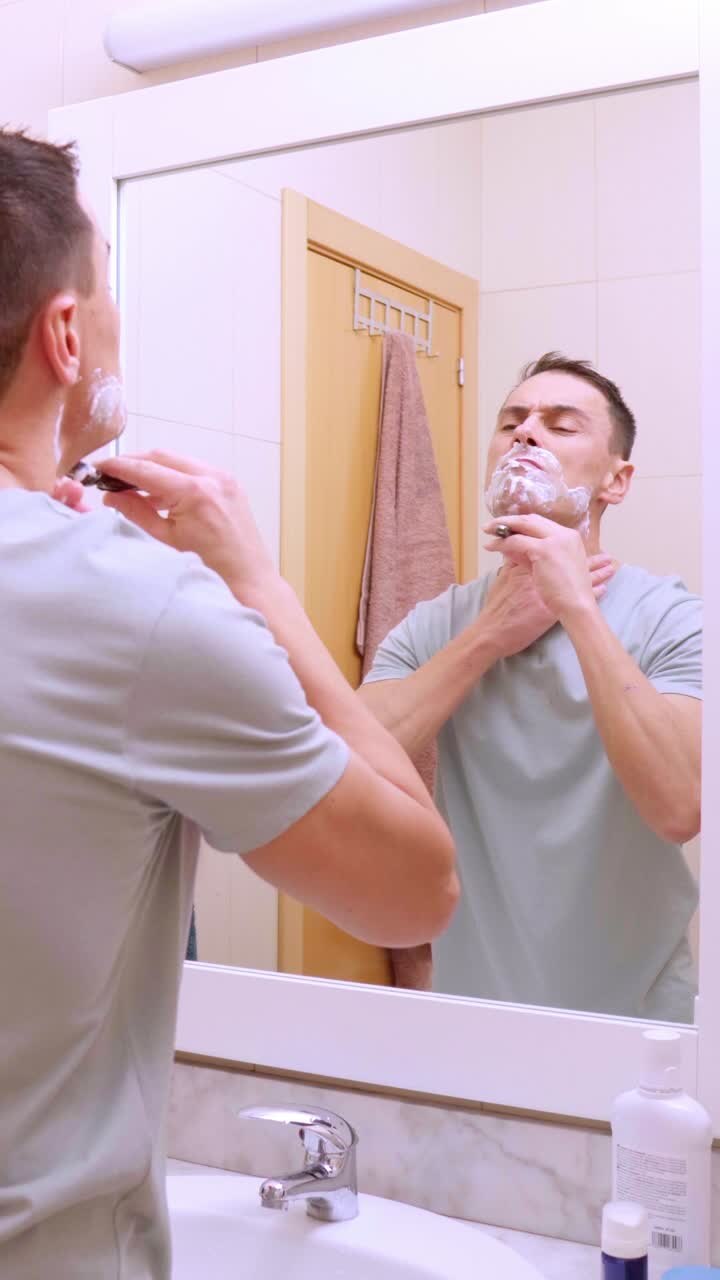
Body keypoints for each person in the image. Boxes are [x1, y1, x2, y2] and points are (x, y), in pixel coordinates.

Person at [0, 130, 458, 1278]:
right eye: (105, 295)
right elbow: (416, 890)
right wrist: (256, 584)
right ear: (64, 333)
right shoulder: (133, 606)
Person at [359, 353, 702, 1023]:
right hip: (475, 1010)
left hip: (640, 1018)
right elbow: (348, 769)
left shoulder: (674, 618)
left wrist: (576, 608)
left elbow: (680, 807)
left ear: (617, 480)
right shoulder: (438, 625)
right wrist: (488, 636)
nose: (526, 433)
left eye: (560, 424)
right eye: (512, 421)